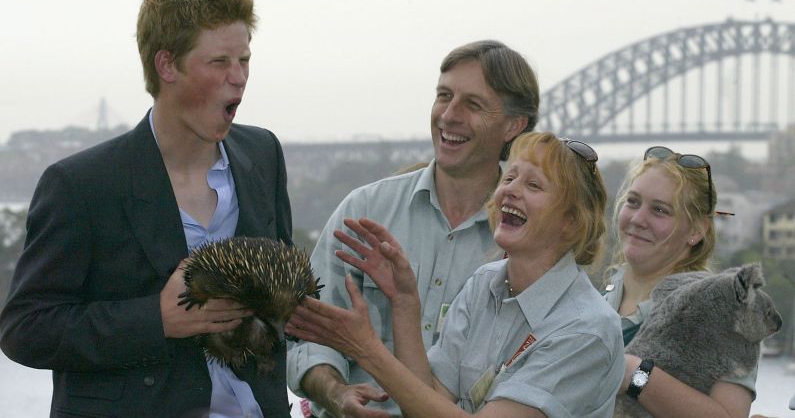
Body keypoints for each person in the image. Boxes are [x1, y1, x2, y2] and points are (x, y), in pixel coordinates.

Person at [0, 0, 292, 417]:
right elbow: (26, 329)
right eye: (219, 62)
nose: (239, 78)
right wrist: (156, 320)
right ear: (167, 66)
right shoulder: (80, 184)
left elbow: (283, 296)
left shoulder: (263, 153)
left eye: (245, 59)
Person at [287, 132, 624, 417]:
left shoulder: (587, 330)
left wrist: (366, 350)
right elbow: (430, 396)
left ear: (571, 222)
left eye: (534, 185)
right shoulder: (484, 283)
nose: (510, 190)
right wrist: (404, 302)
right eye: (509, 178)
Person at [287, 40, 539, 418]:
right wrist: (335, 393)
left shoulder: (525, 241)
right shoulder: (365, 210)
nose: (449, 115)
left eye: (472, 104)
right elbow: (304, 333)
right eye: (443, 96)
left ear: (513, 125)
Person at [605, 146, 757, 417]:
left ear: (697, 231)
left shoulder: (722, 307)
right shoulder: (603, 296)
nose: (638, 219)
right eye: (633, 202)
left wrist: (634, 374)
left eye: (660, 210)